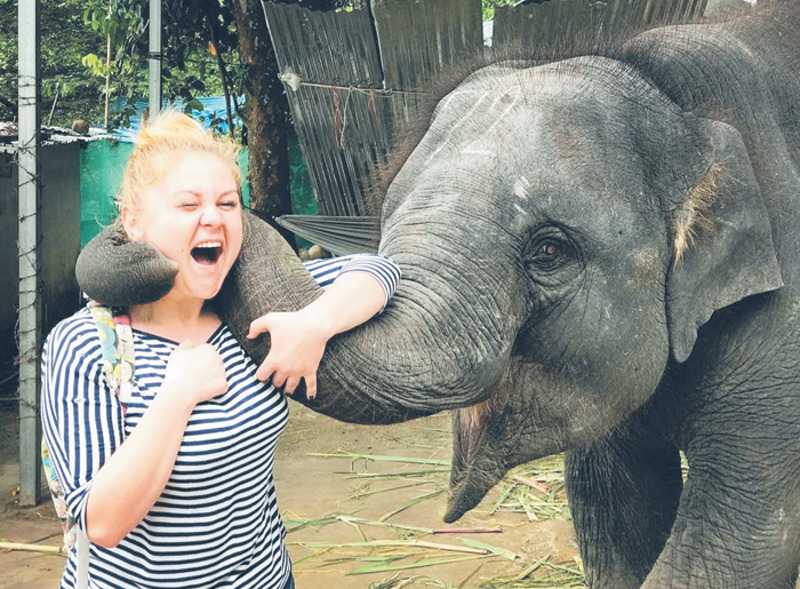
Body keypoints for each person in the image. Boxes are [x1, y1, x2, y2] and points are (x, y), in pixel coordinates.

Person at [40, 112, 401, 589]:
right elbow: (102, 522)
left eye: (228, 203)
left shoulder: (253, 306)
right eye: (188, 205)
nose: (213, 217)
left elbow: (380, 272)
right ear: (134, 223)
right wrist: (177, 396)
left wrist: (315, 322)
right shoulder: (86, 343)